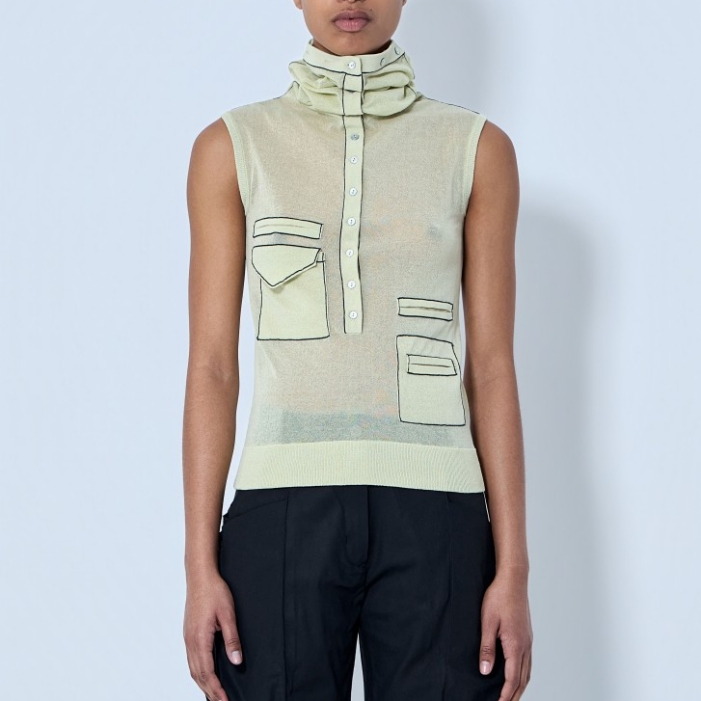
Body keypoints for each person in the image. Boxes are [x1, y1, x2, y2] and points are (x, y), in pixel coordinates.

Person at [182, 1, 533, 700]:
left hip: (439, 512)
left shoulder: (476, 148)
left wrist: (512, 571)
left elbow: (492, 369)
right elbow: (213, 367)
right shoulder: (233, 146)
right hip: (280, 510)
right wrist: (199, 567)